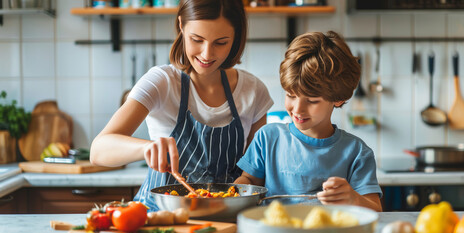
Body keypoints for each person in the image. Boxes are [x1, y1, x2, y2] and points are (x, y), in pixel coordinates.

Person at [90, 0, 273, 211]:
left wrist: (243, 188)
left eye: (221, 42)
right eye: (197, 39)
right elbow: (98, 150)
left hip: (224, 218)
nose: (206, 54)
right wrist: (146, 148)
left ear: (236, 37)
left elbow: (255, 174)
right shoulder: (161, 82)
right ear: (181, 26)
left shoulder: (254, 91)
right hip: (159, 217)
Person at [234, 31, 382, 212]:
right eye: (291, 95)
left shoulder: (357, 153)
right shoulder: (267, 138)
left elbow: (376, 210)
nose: (297, 109)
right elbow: (248, 181)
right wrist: (237, 190)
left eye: (312, 101)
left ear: (339, 98)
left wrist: (353, 198)